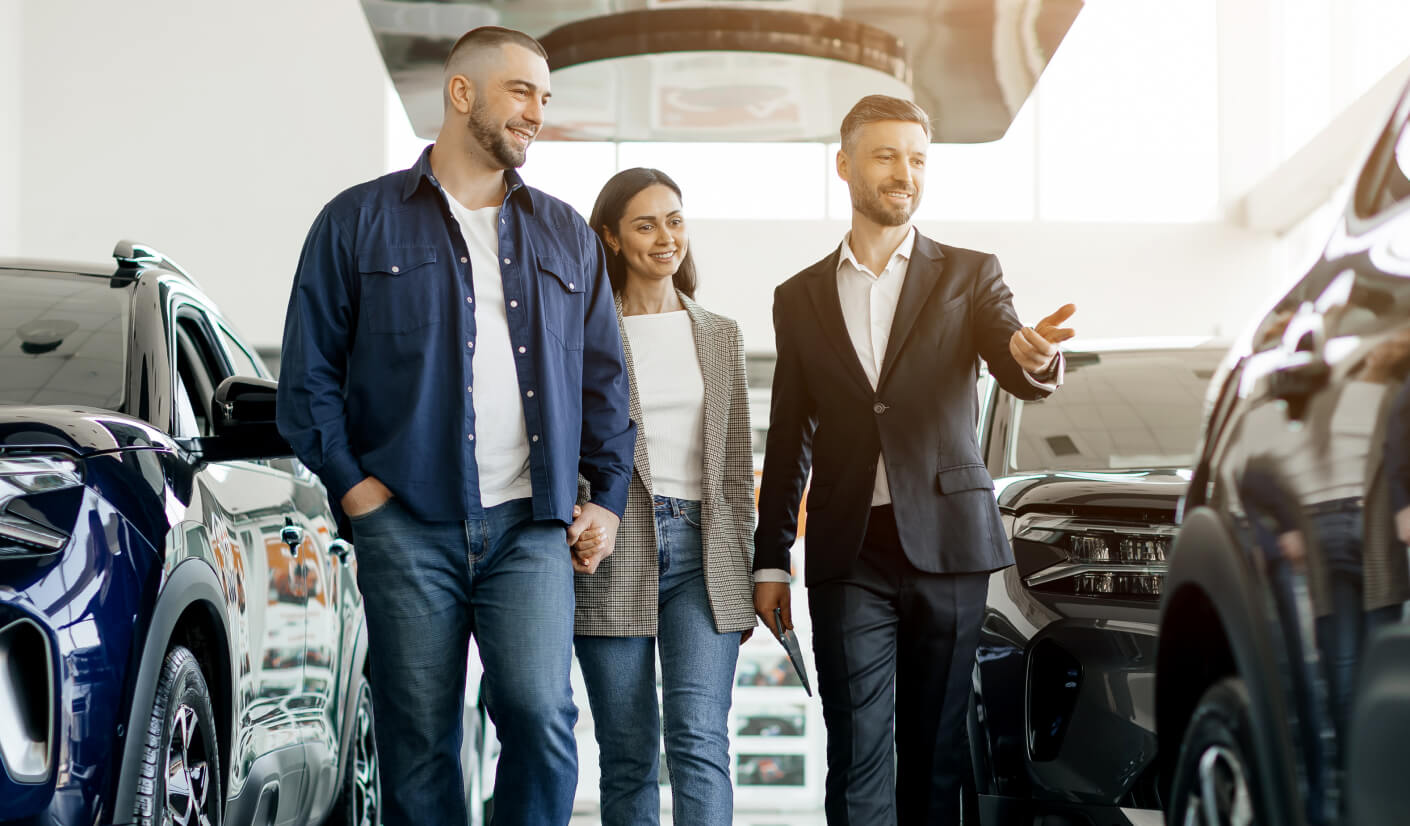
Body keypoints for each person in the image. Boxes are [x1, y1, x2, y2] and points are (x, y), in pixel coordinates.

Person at [275, 26, 634, 826]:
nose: (537, 112)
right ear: (461, 93)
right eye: (522, 92)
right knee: (419, 737)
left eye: (546, 96)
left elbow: (605, 379)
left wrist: (605, 498)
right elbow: (306, 381)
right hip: (405, 523)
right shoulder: (356, 221)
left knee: (542, 720)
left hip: (530, 527)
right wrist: (358, 492)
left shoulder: (567, 233)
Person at [752, 94, 1076, 825]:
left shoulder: (969, 275)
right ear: (844, 165)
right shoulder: (799, 297)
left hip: (949, 545)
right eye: (887, 155)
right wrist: (771, 557)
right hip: (848, 550)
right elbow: (788, 433)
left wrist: (1036, 357)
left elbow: (1016, 354)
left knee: (935, 757)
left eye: (919, 158)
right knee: (858, 750)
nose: (906, 172)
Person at [570, 168, 757, 826]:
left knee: (700, 743)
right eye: (645, 224)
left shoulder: (719, 334)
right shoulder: (585, 332)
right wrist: (574, 511)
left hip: (704, 554)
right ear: (611, 238)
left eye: (674, 220)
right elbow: (562, 440)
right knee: (626, 752)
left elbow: (737, 468)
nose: (665, 236)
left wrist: (748, 567)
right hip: (614, 547)